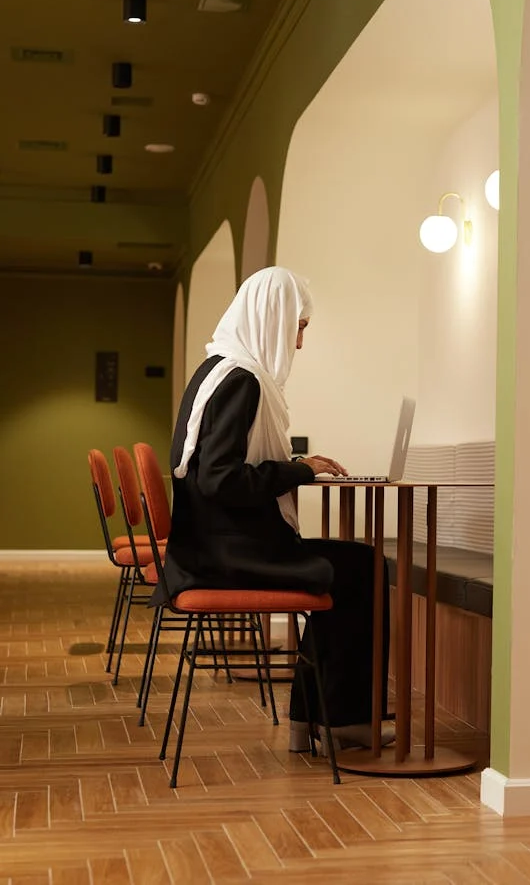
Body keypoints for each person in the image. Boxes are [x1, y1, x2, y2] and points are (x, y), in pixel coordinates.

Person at [163, 266, 392, 751]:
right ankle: (338, 722)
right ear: (271, 318)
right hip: (228, 555)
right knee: (363, 567)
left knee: (353, 564)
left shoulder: (218, 369)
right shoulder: (241, 381)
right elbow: (220, 478)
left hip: (209, 545)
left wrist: (295, 466)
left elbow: (217, 468)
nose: (300, 343)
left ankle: (316, 720)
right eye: (299, 327)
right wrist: (299, 470)